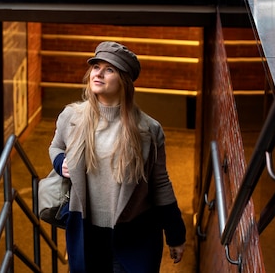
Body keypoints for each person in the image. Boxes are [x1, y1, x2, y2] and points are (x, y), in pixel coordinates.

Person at [48, 41, 186, 273]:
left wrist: (175, 234)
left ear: (124, 80)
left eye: (109, 69)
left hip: (136, 234)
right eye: (95, 67)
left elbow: (160, 183)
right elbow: (55, 147)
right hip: (86, 232)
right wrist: (61, 162)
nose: (98, 73)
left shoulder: (148, 130)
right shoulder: (71, 117)